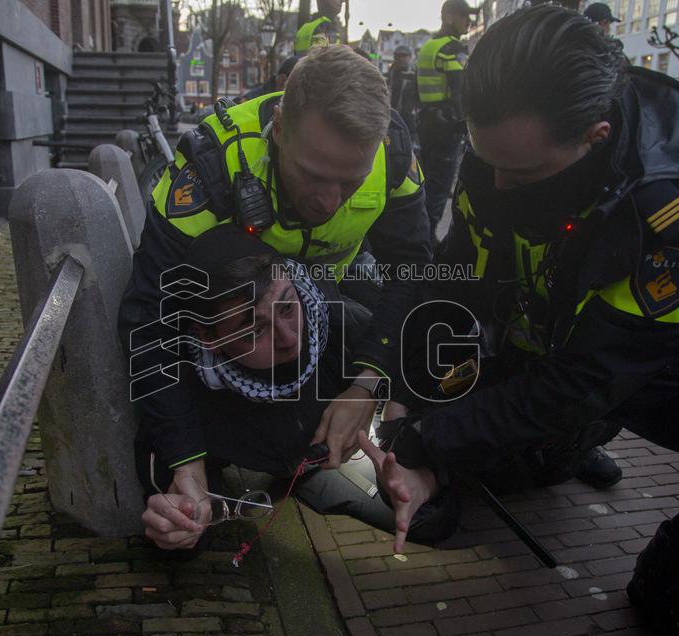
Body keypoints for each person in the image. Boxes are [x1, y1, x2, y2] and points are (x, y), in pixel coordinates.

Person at [365, 6, 679, 636]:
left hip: (660, 369)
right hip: (540, 345)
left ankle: (671, 578)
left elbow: (589, 377)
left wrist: (436, 439)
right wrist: (402, 400)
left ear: (595, 138)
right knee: (445, 457)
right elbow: (457, 283)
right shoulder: (502, 159)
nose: (496, 186)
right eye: (484, 159)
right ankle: (552, 449)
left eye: (520, 173)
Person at [119, 44, 432, 537]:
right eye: (313, 175)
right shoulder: (213, 166)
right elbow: (149, 317)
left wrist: (367, 385)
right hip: (237, 339)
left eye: (351, 182)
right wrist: (184, 461)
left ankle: (325, 448)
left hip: (320, 307)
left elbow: (413, 269)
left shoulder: (392, 151)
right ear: (280, 129)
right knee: (182, 517)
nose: (329, 202)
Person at [138, 225, 457, 550]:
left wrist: (414, 463)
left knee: (428, 517)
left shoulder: (345, 326)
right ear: (209, 338)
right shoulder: (185, 399)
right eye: (254, 331)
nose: (289, 338)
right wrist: (180, 527)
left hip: (325, 463)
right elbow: (177, 502)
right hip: (293, 464)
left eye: (288, 307)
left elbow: (426, 377)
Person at [417, 0, 474, 234]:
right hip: (446, 127)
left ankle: (419, 232)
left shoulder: (428, 47)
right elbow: (459, 91)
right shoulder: (453, 48)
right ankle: (429, 237)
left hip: (426, 123)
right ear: (448, 17)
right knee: (440, 185)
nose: (468, 21)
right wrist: (465, 124)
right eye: (463, 16)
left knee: (426, 181)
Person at [388, 45, 418, 137]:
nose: (401, 59)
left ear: (410, 57)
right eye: (398, 56)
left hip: (409, 117)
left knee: (409, 140)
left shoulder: (415, 74)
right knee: (389, 140)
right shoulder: (389, 75)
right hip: (391, 115)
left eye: (404, 56)